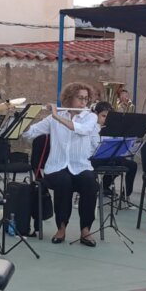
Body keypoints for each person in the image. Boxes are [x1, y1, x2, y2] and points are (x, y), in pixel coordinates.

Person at [23, 83, 99, 246]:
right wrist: (23, 118)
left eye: (86, 99)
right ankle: (61, 228)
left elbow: (83, 130)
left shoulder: (90, 117)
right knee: (63, 182)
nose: (83, 102)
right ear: (69, 98)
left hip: (81, 166)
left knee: (90, 182)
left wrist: (56, 116)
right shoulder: (53, 118)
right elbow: (30, 133)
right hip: (57, 166)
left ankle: (85, 229)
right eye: (80, 98)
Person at [90, 100, 138, 200]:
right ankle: (98, 187)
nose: (106, 119)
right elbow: (96, 147)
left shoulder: (111, 128)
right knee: (114, 160)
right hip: (93, 158)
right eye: (103, 116)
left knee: (132, 165)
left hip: (109, 157)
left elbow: (117, 144)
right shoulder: (91, 128)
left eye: (108, 117)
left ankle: (125, 195)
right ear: (96, 114)